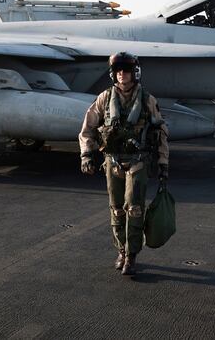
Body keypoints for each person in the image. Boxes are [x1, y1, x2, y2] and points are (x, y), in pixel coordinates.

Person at [78, 52, 169, 276]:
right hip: (112, 160)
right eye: (118, 71)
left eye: (126, 71)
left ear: (134, 73)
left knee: (135, 208)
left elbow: (161, 132)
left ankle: (132, 254)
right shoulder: (104, 98)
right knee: (117, 209)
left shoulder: (148, 100)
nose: (122, 74)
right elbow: (88, 128)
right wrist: (87, 154)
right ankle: (121, 249)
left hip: (138, 160)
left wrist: (163, 163)